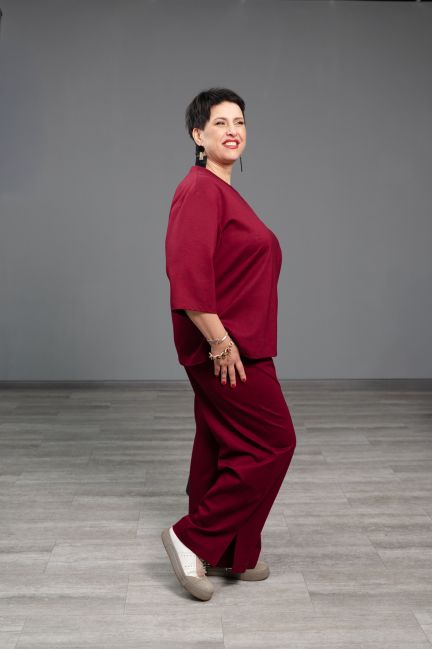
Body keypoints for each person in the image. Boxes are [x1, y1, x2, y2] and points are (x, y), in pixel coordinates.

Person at [161, 87, 297, 601]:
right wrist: (220, 342)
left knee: (222, 443)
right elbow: (187, 273)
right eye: (219, 123)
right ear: (198, 135)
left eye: (239, 121)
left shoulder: (222, 192)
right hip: (224, 345)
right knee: (274, 442)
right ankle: (192, 538)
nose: (232, 130)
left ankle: (227, 552)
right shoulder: (200, 190)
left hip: (242, 341)